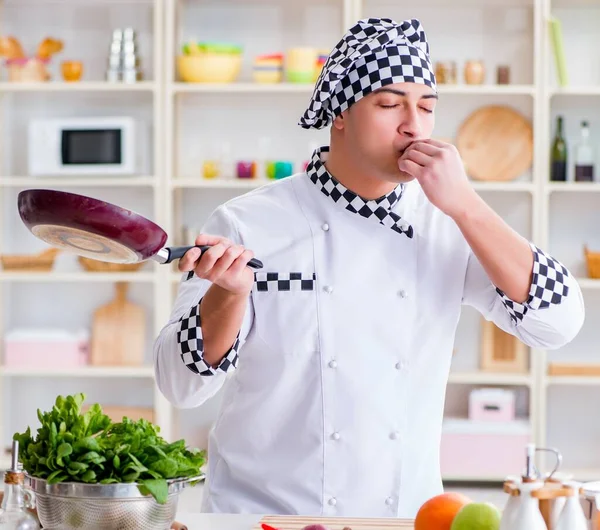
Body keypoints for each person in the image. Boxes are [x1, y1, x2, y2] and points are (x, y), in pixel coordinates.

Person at [153, 17, 585, 518]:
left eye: (426, 107)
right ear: (340, 112)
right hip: (263, 516)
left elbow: (558, 322)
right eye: (389, 104)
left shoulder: (449, 223)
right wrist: (227, 295)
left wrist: (467, 206)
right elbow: (179, 384)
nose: (413, 124)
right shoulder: (248, 221)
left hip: (405, 516)